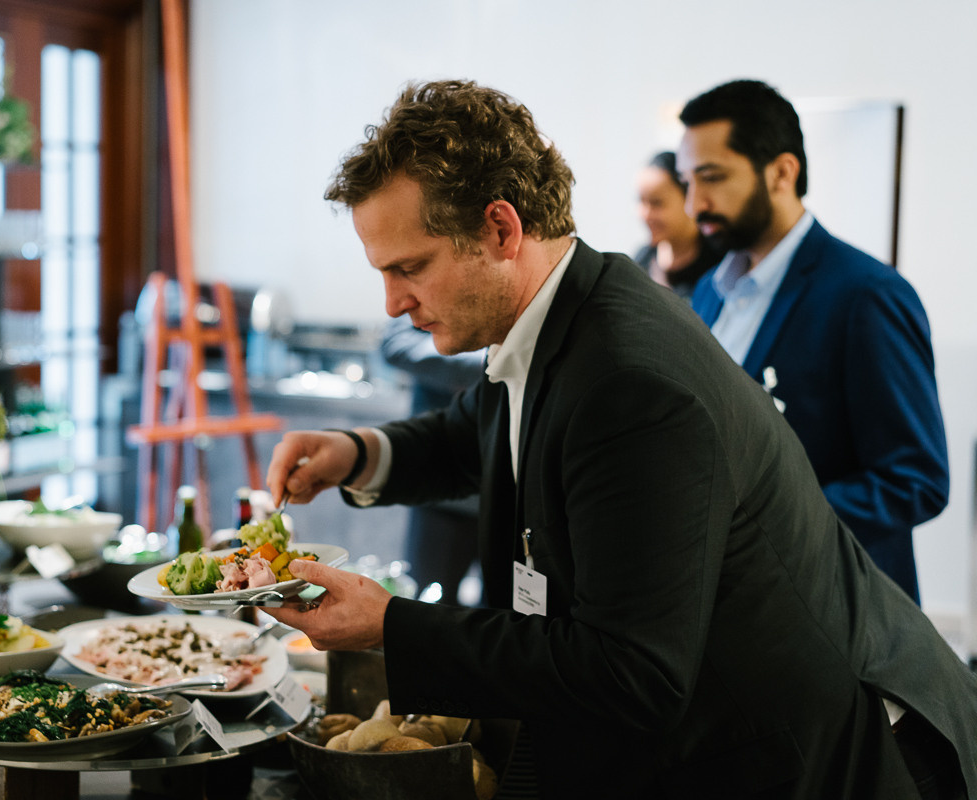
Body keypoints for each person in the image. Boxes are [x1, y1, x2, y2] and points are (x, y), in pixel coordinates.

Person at [264, 79, 977, 798]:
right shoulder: (560, 309)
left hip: (834, 756)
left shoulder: (628, 384)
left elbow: (631, 670)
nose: (392, 302)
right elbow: (482, 430)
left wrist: (393, 625)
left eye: (409, 267)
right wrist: (359, 453)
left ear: (500, 230)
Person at [677, 79, 948, 604]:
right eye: (687, 181)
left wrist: (774, 525)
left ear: (782, 172)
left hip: (837, 612)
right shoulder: (712, 292)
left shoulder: (866, 294)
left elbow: (915, 479)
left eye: (711, 178)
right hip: (737, 607)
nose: (694, 205)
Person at [379, 314, 484, 605]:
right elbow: (396, 343)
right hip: (441, 487)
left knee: (508, 614)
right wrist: (489, 363)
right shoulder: (427, 284)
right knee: (425, 606)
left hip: (512, 494)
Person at [634, 150, 722, 301]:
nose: (646, 214)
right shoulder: (640, 263)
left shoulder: (720, 266)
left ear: (688, 199)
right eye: (641, 201)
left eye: (657, 203)